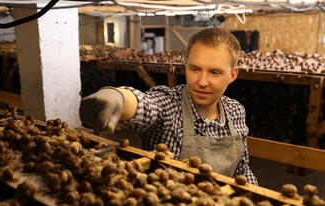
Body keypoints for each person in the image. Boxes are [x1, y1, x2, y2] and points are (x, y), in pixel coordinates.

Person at [80, 27, 258, 185]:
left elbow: (241, 169)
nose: (202, 82)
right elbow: (146, 105)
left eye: (214, 72)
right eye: (195, 69)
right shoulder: (170, 104)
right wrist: (118, 96)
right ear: (186, 66)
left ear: (233, 75)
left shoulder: (235, 111)